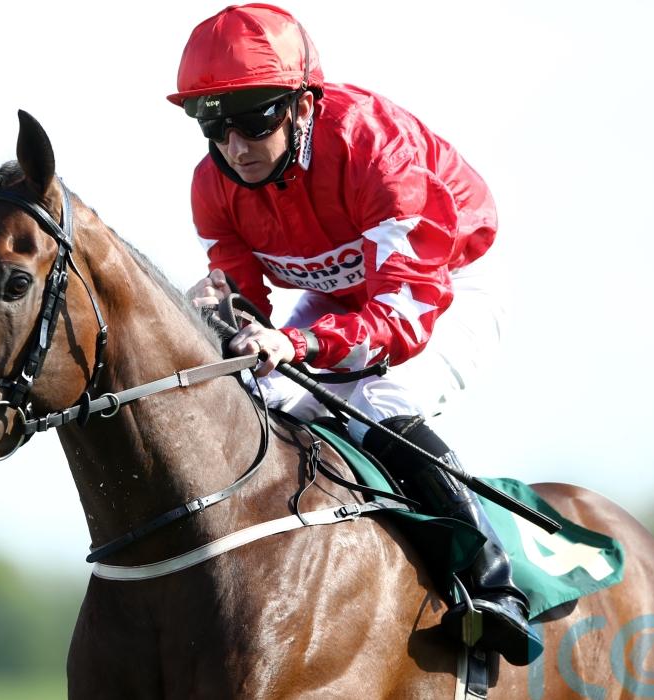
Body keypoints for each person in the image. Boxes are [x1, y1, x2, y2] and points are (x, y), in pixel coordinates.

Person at [172, 3, 542, 666]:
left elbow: (401, 318)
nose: (237, 147)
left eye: (255, 120)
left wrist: (300, 344)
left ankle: (493, 585)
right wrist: (225, 318)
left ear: (303, 106)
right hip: (340, 297)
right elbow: (248, 310)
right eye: (215, 127)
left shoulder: (377, 149)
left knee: (378, 399)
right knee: (260, 399)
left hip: (444, 285)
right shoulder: (213, 187)